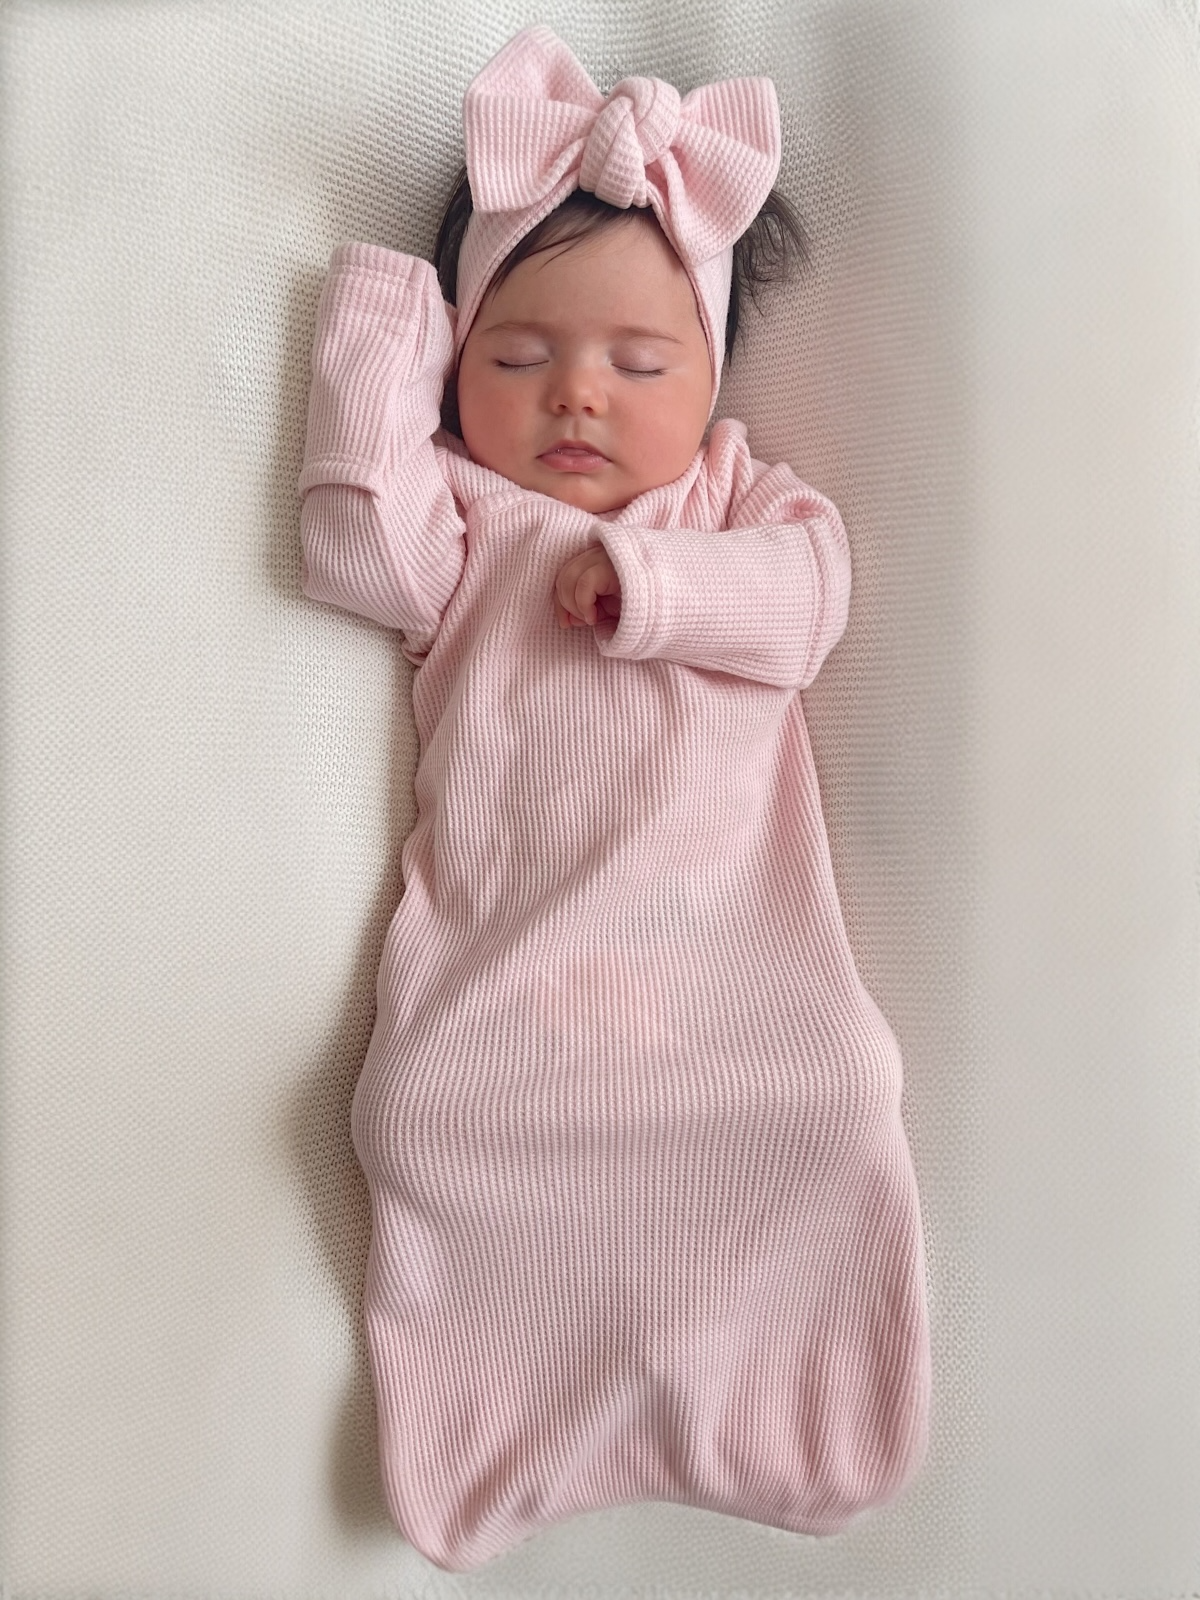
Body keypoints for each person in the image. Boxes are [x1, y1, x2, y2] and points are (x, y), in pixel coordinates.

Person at [298, 24, 930, 1574]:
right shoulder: (466, 518)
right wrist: (384, 317)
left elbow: (807, 602)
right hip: (512, 977)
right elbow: (349, 546)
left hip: (730, 968)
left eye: (639, 365)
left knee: (838, 1089)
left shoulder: (732, 503)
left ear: (708, 372)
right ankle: (514, 1416)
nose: (579, 398)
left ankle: (778, 1395)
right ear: (461, 371)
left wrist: (650, 583)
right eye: (519, 357)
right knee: (426, 1118)